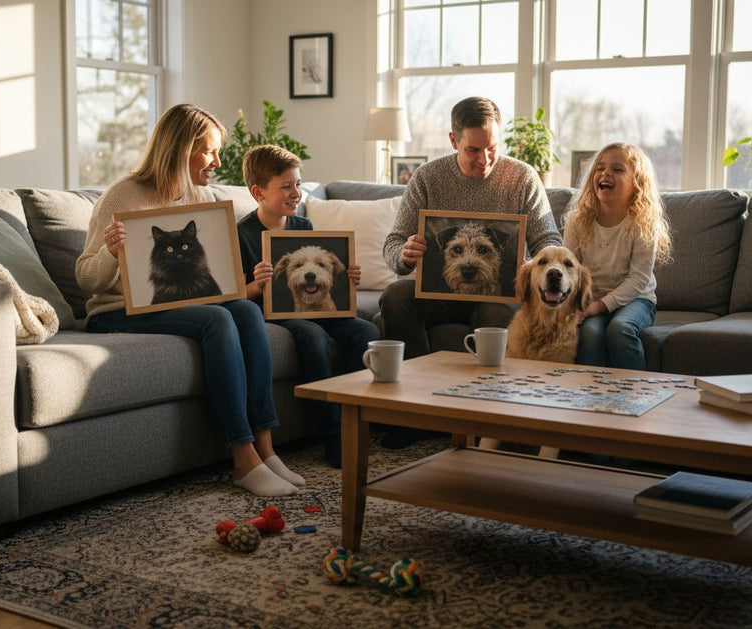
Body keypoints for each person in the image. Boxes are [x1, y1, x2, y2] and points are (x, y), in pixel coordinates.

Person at [75, 104, 304, 497]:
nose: (217, 161)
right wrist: (110, 252)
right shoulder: (123, 194)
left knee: (246, 311)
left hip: (172, 304)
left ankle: (266, 449)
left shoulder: (196, 195)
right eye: (209, 150)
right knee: (216, 320)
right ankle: (243, 458)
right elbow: (86, 280)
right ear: (182, 149)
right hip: (118, 312)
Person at [379, 96, 563, 447]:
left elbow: (549, 239)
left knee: (496, 311)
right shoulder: (427, 178)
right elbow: (392, 244)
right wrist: (405, 254)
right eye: (474, 150)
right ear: (453, 141)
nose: (485, 159)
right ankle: (415, 413)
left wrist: (536, 268)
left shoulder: (523, 177)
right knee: (395, 294)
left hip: (499, 293)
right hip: (438, 293)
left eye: (492, 147)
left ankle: (485, 415)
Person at [236, 145, 380, 468]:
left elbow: (328, 281)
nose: (296, 193)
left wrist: (349, 279)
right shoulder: (243, 234)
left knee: (367, 330)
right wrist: (256, 284)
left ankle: (355, 422)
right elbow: (236, 296)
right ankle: (332, 437)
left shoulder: (304, 228)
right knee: (313, 337)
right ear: (258, 192)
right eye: (286, 186)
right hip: (274, 313)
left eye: (298, 184)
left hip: (319, 307)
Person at [563, 142, 672, 371]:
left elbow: (638, 280)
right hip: (592, 298)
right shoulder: (576, 221)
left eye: (618, 169)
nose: (606, 173)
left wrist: (600, 306)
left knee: (620, 329)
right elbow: (569, 270)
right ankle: (586, 397)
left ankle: (636, 394)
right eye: (600, 168)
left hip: (636, 298)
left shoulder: (643, 224)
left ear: (637, 183)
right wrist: (578, 305)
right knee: (590, 334)